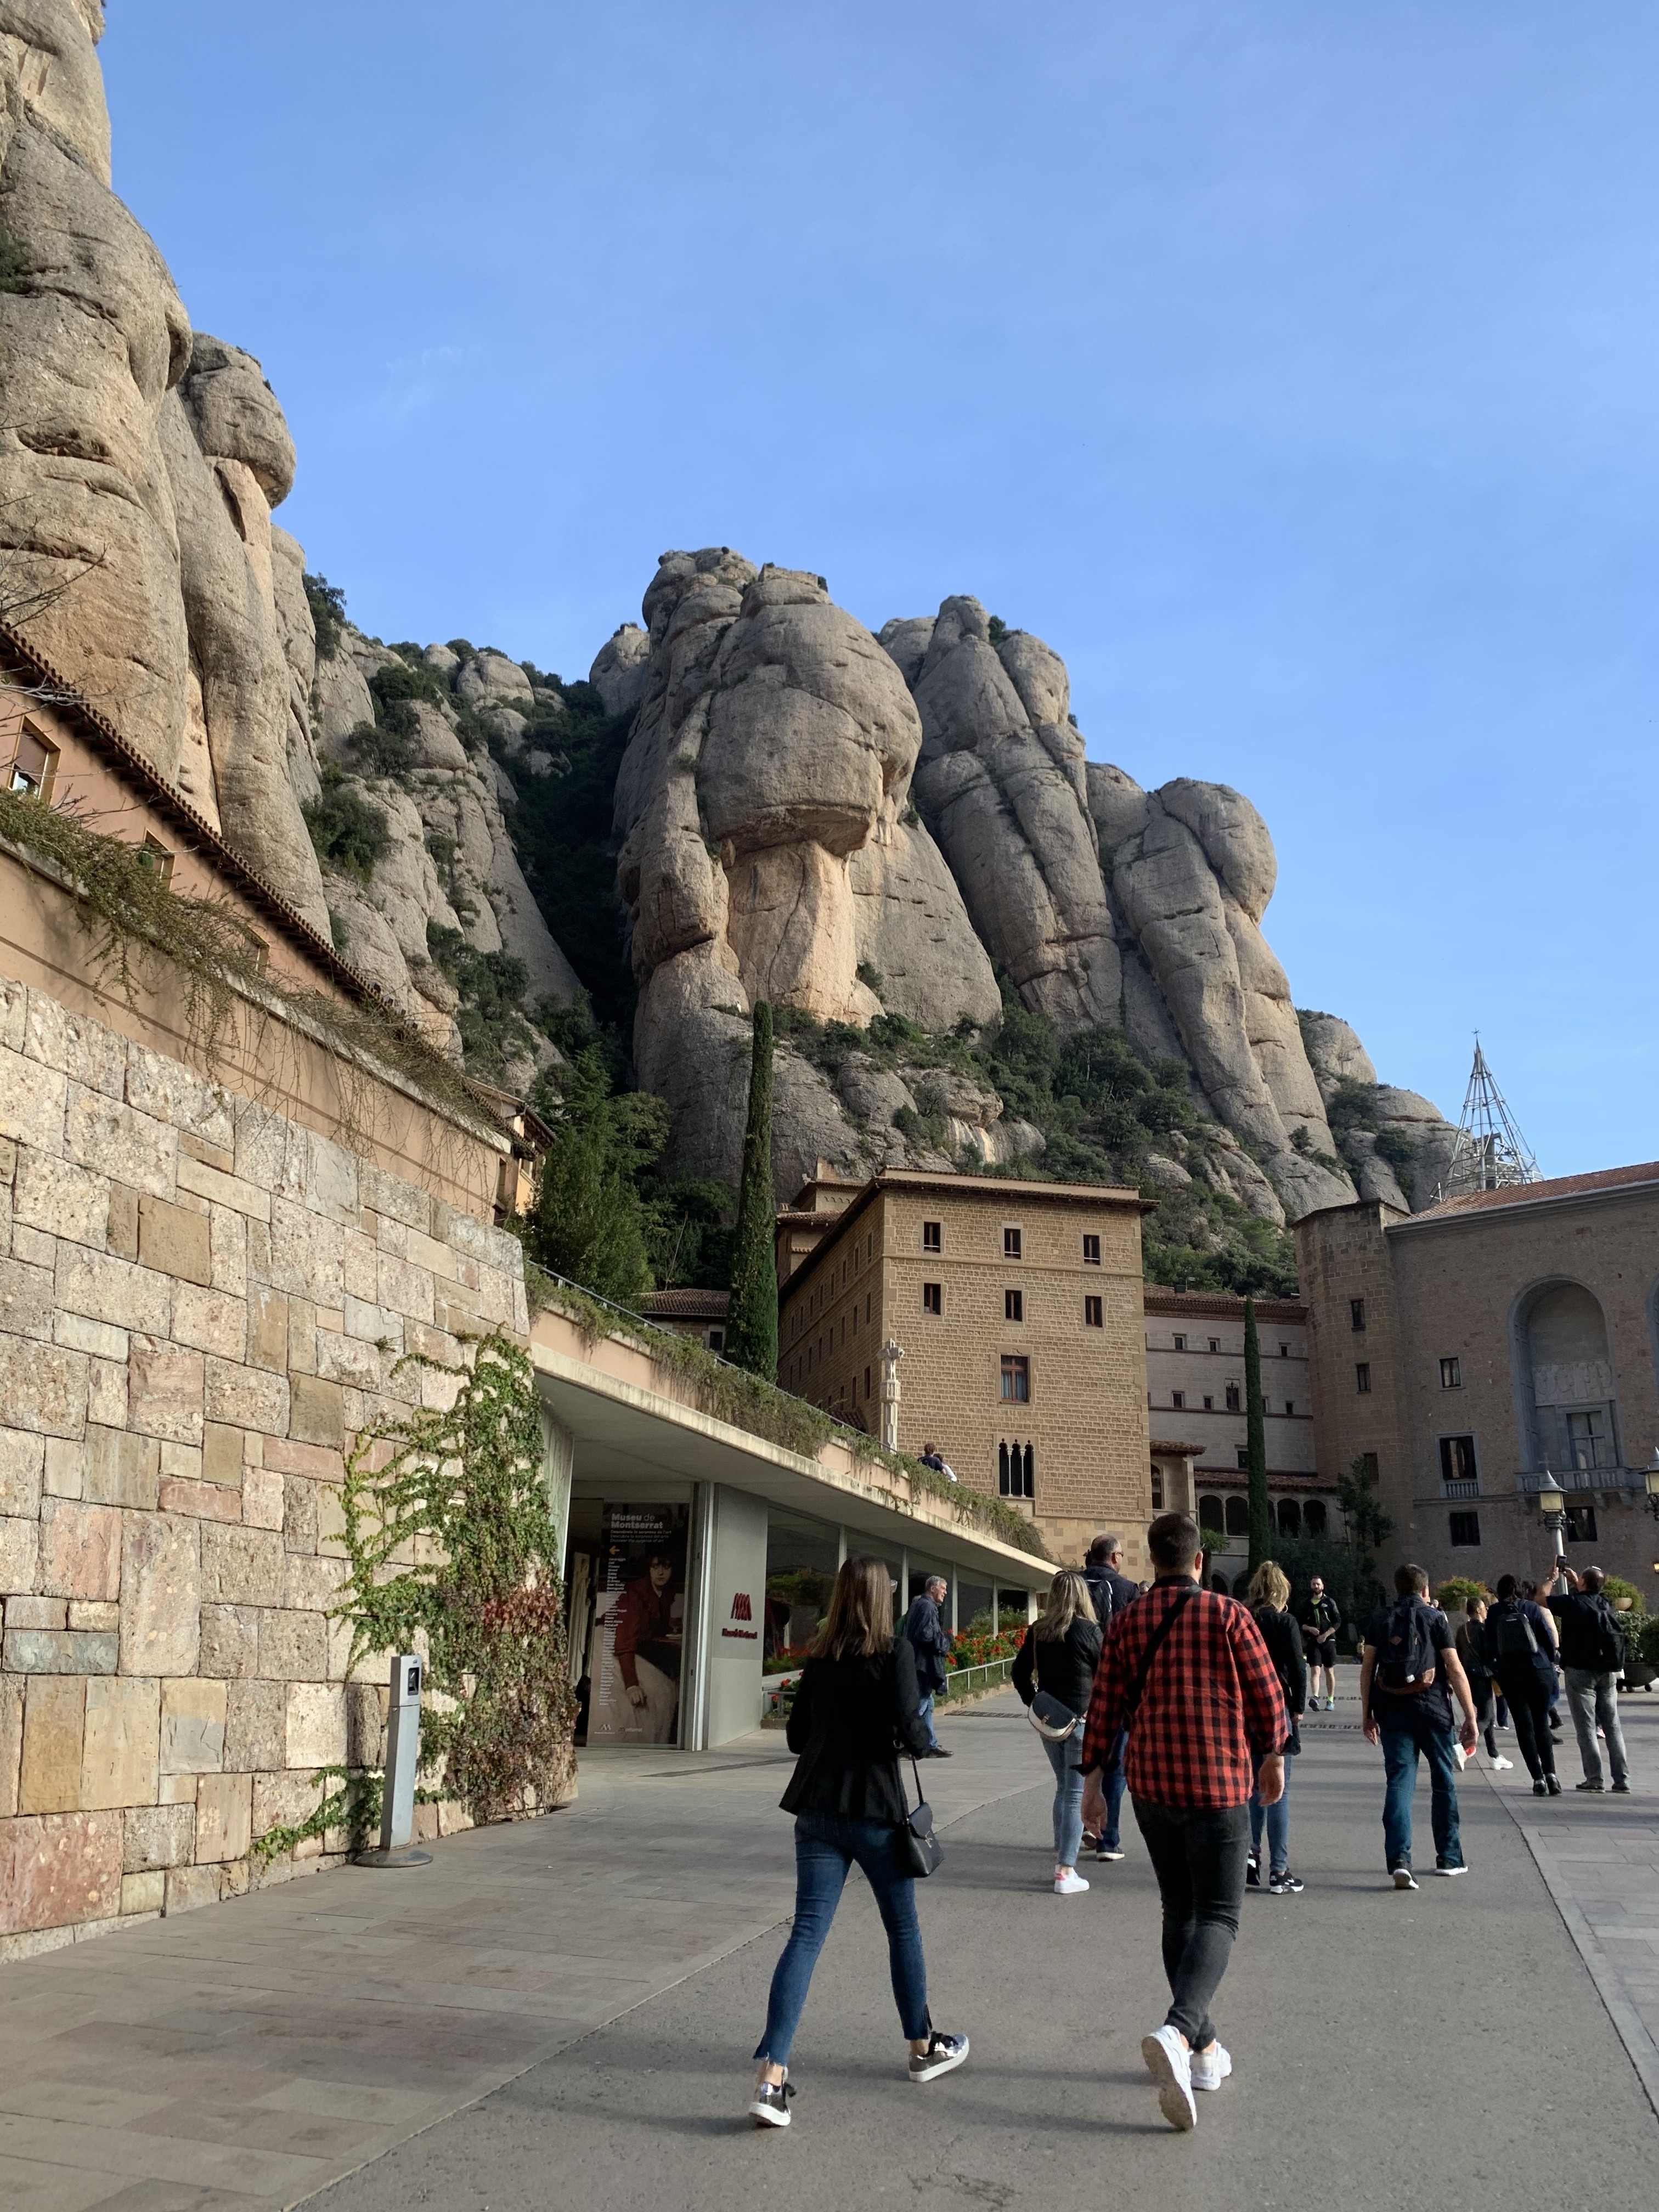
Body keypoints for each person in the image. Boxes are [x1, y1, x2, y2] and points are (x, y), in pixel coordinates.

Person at [1079, 1511, 1288, 2132]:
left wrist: (1092, 1788)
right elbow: (1267, 1695)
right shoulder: (1228, 1615)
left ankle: (1201, 2051)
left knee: (1179, 1911)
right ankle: (1178, 2030)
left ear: (1151, 1560)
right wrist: (1273, 1755)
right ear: (1199, 1561)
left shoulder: (1126, 1622)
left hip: (1151, 1787)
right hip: (1219, 1783)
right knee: (1220, 1914)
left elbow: (1105, 1708)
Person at [748, 1555, 969, 2128]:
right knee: (902, 1928)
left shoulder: (821, 1657)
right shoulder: (892, 1653)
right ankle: (922, 2048)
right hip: (874, 1809)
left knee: (806, 1935)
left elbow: (797, 1738)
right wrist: (917, 1739)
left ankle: (771, 2077)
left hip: (816, 1809)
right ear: (880, 1599)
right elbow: (911, 1728)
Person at [1361, 1564, 1479, 1886]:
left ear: (1397, 1589)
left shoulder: (1380, 1619)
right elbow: (1454, 1667)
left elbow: (1368, 1668)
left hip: (1392, 1712)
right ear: (1425, 1591)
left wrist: (1367, 1714)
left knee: (1400, 1782)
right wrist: (1470, 1715)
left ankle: (1399, 1859)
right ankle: (1449, 1857)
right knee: (1443, 1782)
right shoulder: (1435, 1618)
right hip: (1434, 1712)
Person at [1013, 1571, 1103, 1894]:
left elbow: (1019, 1672)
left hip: (1051, 1721)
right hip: (1081, 1721)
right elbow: (1106, 1676)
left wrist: (1035, 1701)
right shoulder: (1090, 1632)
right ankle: (1066, 1869)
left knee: (1064, 1787)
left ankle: (1060, 1846)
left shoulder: (1039, 1631)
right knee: (1076, 1792)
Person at [1246, 1561, 1306, 1895]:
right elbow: (1297, 1666)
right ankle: (1279, 1870)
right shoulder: (1286, 1622)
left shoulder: (1245, 1617)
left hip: (1247, 1709)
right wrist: (1298, 1707)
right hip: (1279, 1706)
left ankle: (1251, 1858)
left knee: (1254, 1786)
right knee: (1279, 1791)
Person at [1545, 1564, 1631, 1794]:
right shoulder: (1605, 1604)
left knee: (1586, 1727)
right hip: (1608, 1670)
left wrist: (1553, 1579)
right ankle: (1622, 1780)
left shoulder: (1573, 1604)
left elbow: (1541, 1599)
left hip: (1581, 1671)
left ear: (1583, 1583)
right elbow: (1592, 1595)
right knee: (1613, 1726)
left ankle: (1595, 1778)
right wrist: (1578, 1583)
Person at [1081, 1534, 1140, 1863]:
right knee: (1114, 1764)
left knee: (1076, 1767)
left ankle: (1077, 1830)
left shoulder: (1070, 1583)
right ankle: (1109, 1838)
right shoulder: (1127, 1589)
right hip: (1114, 1688)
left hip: (1074, 1692)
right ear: (1115, 1557)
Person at [1483, 1575, 1560, 1797]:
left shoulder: (1495, 1613)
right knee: (1541, 1724)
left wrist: (1497, 1668)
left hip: (1511, 1674)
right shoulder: (1531, 1608)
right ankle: (1552, 1776)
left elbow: (1490, 1647)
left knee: (1524, 1727)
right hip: (1538, 1671)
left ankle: (1537, 1779)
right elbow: (1547, 1641)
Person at [610, 1549, 684, 1743]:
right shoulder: (635, 1595)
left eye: (666, 1567)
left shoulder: (663, 1593)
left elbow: (654, 1628)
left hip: (638, 1645)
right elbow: (625, 1639)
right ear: (649, 1569)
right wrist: (631, 1684)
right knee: (658, 1692)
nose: (660, 1572)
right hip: (615, 1644)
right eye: (655, 1566)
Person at [1455, 1595, 1514, 1770]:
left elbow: (1458, 1653)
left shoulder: (1461, 1629)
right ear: (1479, 1610)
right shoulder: (1482, 1629)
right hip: (1482, 1676)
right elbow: (1489, 1654)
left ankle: (1494, 1755)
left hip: (1469, 1678)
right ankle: (1462, 1747)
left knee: (1488, 1715)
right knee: (1486, 1717)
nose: (1487, 1610)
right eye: (1485, 1608)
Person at [901, 1575, 953, 1757]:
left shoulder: (920, 1605)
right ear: (933, 1589)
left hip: (918, 1664)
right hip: (922, 1665)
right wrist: (944, 1642)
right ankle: (905, 1743)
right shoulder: (926, 1606)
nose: (946, 1592)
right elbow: (925, 1634)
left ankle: (930, 1745)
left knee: (928, 1703)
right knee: (920, 1705)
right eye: (943, 1588)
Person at [1300, 1576, 1341, 1712]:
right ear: (1311, 1586)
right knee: (1315, 1669)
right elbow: (1301, 1624)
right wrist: (1310, 1629)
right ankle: (1316, 1697)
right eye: (1313, 1584)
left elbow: (1337, 1622)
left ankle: (1330, 1699)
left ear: (1323, 1586)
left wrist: (1326, 1635)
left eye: (1318, 1584)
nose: (1316, 1586)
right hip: (1314, 1642)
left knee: (1329, 1670)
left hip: (1329, 1641)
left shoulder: (1330, 1602)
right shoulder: (1307, 1604)